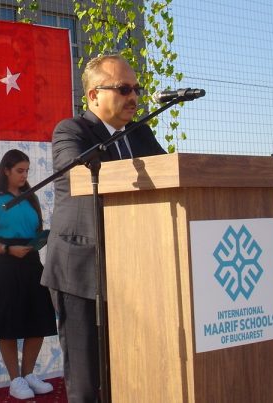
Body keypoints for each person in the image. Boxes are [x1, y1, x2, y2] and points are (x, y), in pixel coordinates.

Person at [41, 54, 167, 402]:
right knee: (87, 379)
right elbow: (81, 175)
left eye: (137, 89)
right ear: (94, 95)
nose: (134, 97)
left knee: (129, 369)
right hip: (81, 268)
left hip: (132, 268)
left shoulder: (140, 133)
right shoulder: (72, 131)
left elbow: (169, 176)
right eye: (124, 89)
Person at [0, 149, 58, 400]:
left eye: (27, 171)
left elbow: (34, 229)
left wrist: (40, 240)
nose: (24, 175)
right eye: (20, 171)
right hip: (3, 266)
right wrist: (7, 249)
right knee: (7, 324)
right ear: (6, 171)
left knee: (39, 320)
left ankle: (29, 374)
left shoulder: (30, 198)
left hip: (30, 262)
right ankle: (15, 380)